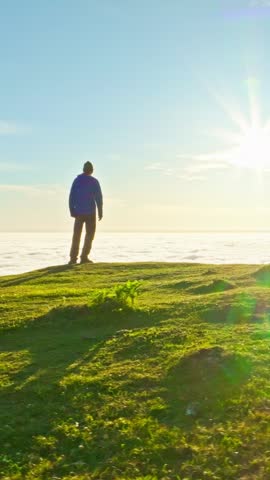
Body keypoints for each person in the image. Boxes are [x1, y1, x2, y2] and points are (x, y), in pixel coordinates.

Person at [69, 161, 103, 264]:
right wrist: (100, 212)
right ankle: (84, 257)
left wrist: (72, 210)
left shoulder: (77, 180)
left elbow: (71, 197)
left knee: (76, 235)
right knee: (89, 235)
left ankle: (73, 258)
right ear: (92, 170)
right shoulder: (94, 181)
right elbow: (99, 198)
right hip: (90, 213)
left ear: (83, 169)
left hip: (78, 212)